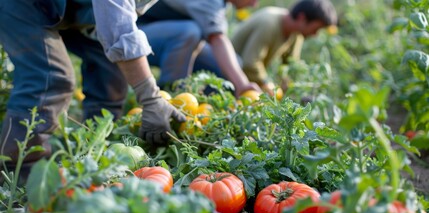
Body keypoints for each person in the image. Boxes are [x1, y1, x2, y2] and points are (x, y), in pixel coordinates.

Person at [0, 0, 185, 181]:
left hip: (75, 11)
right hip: (24, 6)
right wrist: (151, 98)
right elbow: (119, 26)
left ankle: (91, 154)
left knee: (110, 73)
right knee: (51, 77)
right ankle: (16, 172)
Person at [195, 0, 338, 94]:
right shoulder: (270, 23)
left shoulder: (295, 34)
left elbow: (290, 67)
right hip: (226, 70)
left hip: (245, 77)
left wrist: (291, 92)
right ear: (302, 18)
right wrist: (268, 86)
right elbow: (250, 64)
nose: (315, 35)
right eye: (315, 29)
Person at [137, 0, 262, 97]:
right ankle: (168, 97)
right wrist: (243, 85)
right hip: (135, 36)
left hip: (169, 37)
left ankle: (203, 104)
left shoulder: (223, 4)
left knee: (232, 67)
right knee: (189, 31)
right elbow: (217, 39)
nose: (255, 4)